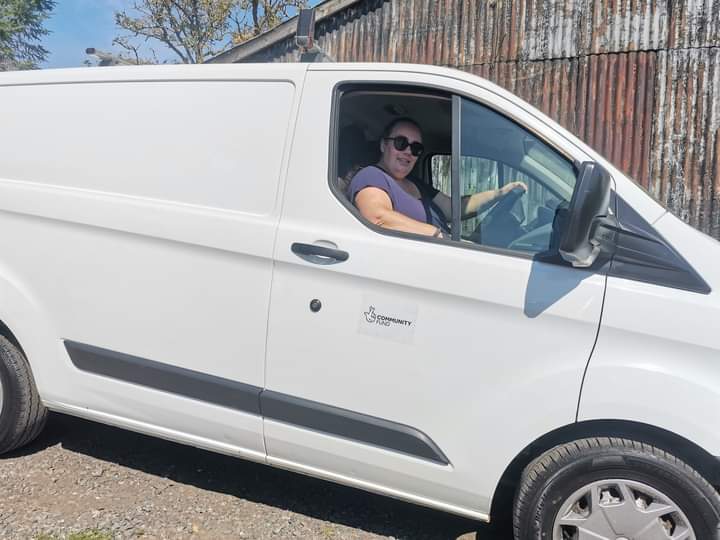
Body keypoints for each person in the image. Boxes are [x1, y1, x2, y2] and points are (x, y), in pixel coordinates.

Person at [350, 117, 526, 239]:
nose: (408, 152)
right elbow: (378, 218)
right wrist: (437, 235)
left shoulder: (414, 183)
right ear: (383, 145)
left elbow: (452, 208)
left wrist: (500, 193)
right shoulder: (371, 176)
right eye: (400, 143)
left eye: (416, 148)